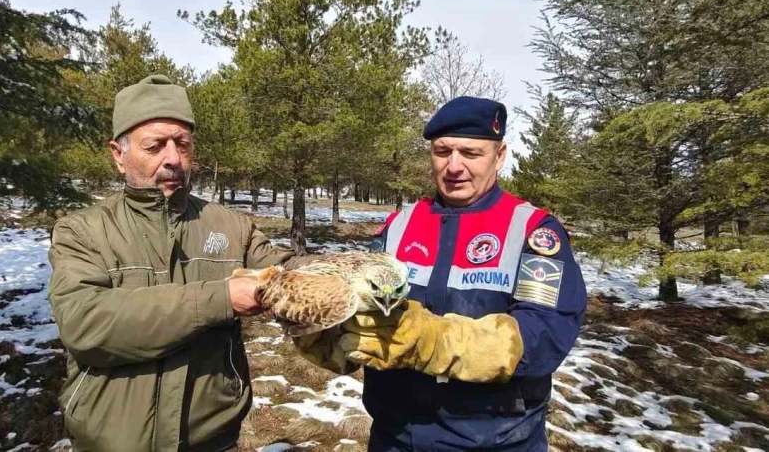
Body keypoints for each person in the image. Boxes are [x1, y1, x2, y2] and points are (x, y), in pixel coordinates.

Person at [296, 96, 587, 451]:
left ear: (500, 156)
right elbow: (366, 316)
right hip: (395, 436)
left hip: (495, 440)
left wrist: (435, 342)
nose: (454, 166)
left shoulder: (532, 231)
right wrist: (330, 339)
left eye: (471, 153)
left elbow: (544, 337)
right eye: (442, 151)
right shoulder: (399, 227)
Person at [48, 75, 305, 452]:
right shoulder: (83, 231)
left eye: (182, 144)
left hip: (213, 439)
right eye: (154, 145)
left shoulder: (231, 227)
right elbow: (86, 323)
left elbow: (287, 271)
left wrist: (352, 273)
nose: (173, 158)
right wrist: (219, 299)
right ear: (118, 155)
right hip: (109, 442)